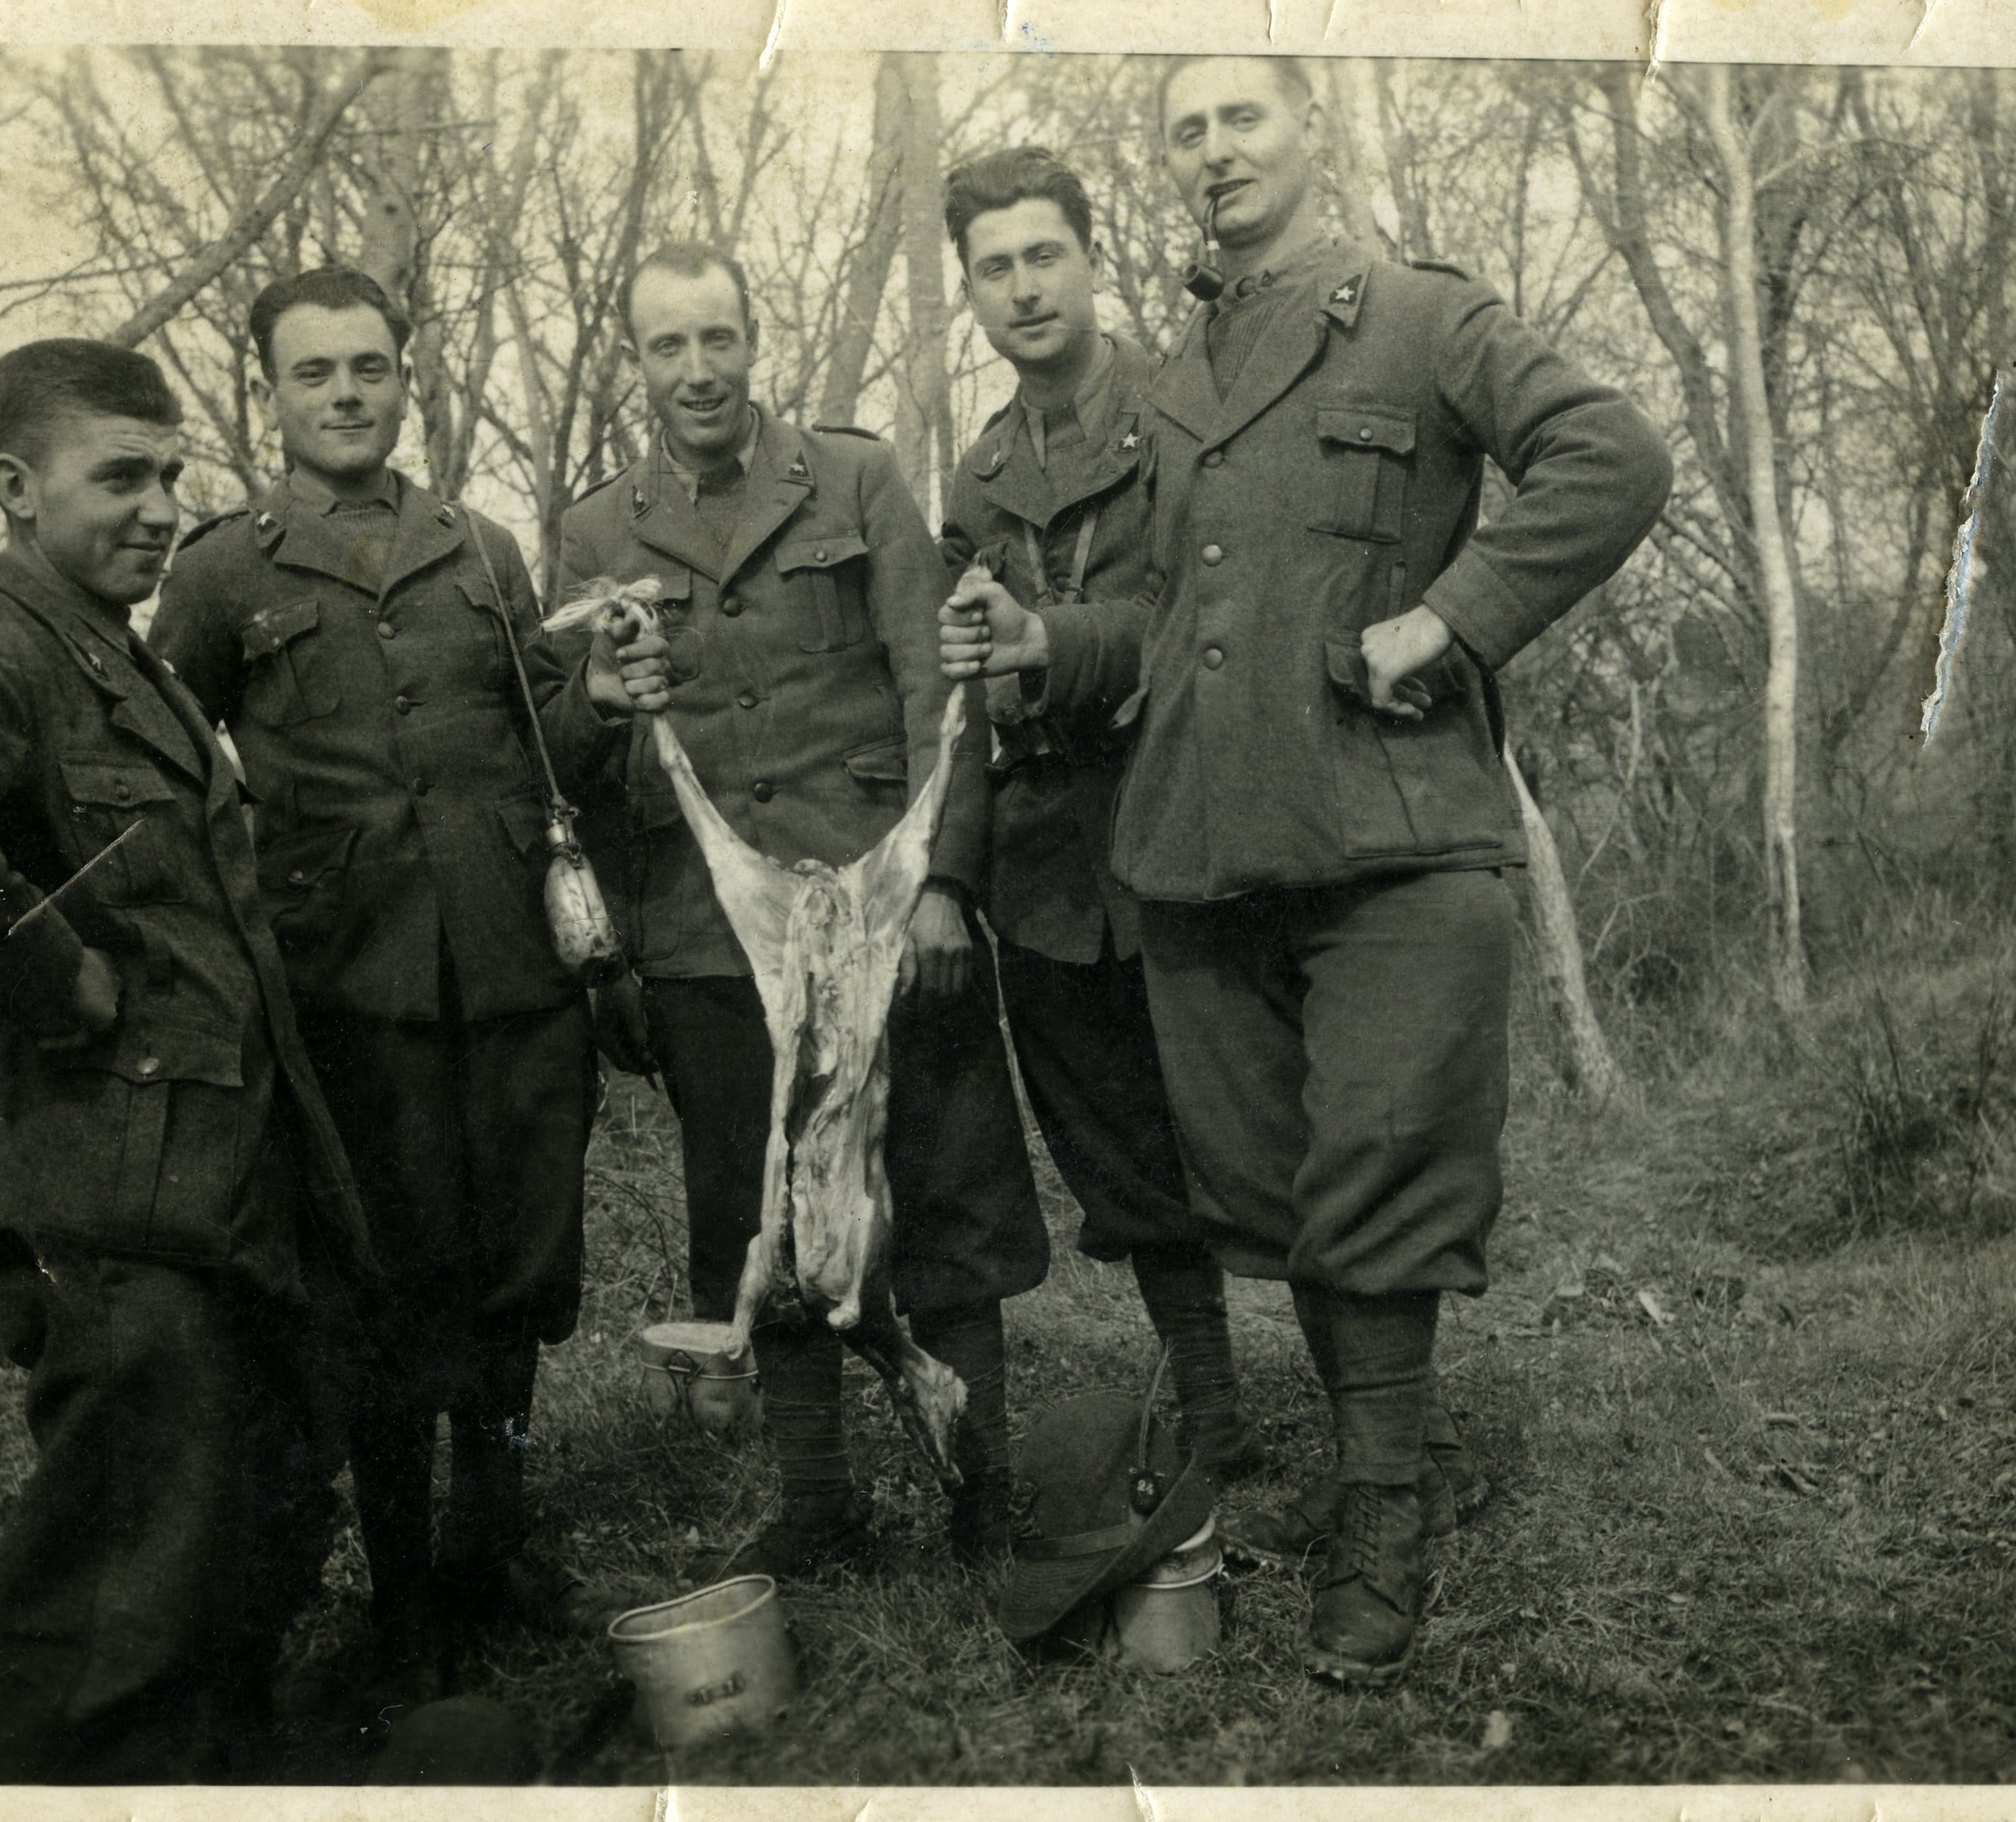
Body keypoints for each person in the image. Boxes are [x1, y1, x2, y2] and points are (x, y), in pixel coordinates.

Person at [940, 56, 1673, 1684]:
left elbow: (1611, 458)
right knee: (1284, 1204)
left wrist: (1452, 617)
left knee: (1380, 1188)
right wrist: (1044, 639)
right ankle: (1363, 1475)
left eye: (1242, 119)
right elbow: (1179, 622)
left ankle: (1383, 1523)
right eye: (1186, 133)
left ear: (1308, 133)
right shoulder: (1186, 369)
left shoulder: (1418, 316)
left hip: (1396, 841)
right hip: (1210, 859)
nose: (1214, 153)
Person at [0, 339, 371, 1779]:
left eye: (171, 474)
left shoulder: (123, 660)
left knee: (224, 1560)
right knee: (117, 1610)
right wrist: (58, 969)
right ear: (14, 487)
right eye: (118, 476)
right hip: (104, 1205)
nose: (161, 505)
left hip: (201, 1192)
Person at [533, 241, 1048, 1573]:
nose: (697, 371)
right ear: (633, 362)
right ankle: (820, 1501)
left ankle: (981, 1491)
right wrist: (622, 954)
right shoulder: (595, 531)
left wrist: (943, 888)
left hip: (884, 908)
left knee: (940, 1205)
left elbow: (946, 696)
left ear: (754, 340)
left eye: (718, 339)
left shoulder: (859, 478)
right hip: (712, 937)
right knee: (755, 1222)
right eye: (667, 347)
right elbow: (568, 758)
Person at [148, 269, 621, 1697]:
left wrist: (608, 697)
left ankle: (496, 1542)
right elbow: (170, 760)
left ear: (406, 380)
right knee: (383, 1283)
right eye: (314, 374)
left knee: (519, 1265)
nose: (346, 394)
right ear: (271, 397)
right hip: (353, 993)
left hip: (515, 973)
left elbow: (551, 752)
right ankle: (406, 1592)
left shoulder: (479, 549)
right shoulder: (227, 569)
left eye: (369, 368)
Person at [935, 146, 1264, 1481]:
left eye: (1042, 255)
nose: (1023, 288)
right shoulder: (975, 475)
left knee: (1250, 1128)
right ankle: (1219, 1408)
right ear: (969, 291)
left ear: (1090, 256)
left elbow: (1214, 616)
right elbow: (959, 686)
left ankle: (1375, 1414)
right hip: (1054, 866)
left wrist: (1051, 639)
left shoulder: (1186, 413)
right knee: (1123, 1160)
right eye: (993, 268)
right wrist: (951, 872)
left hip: (1196, 823)